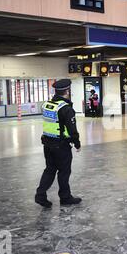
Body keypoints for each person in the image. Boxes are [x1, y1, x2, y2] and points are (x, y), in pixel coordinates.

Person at [35, 79, 82, 208]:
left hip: (47, 143)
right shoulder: (66, 109)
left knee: (49, 170)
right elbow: (72, 129)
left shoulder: (46, 105)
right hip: (61, 146)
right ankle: (65, 197)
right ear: (67, 91)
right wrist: (77, 143)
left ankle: (40, 195)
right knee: (64, 172)